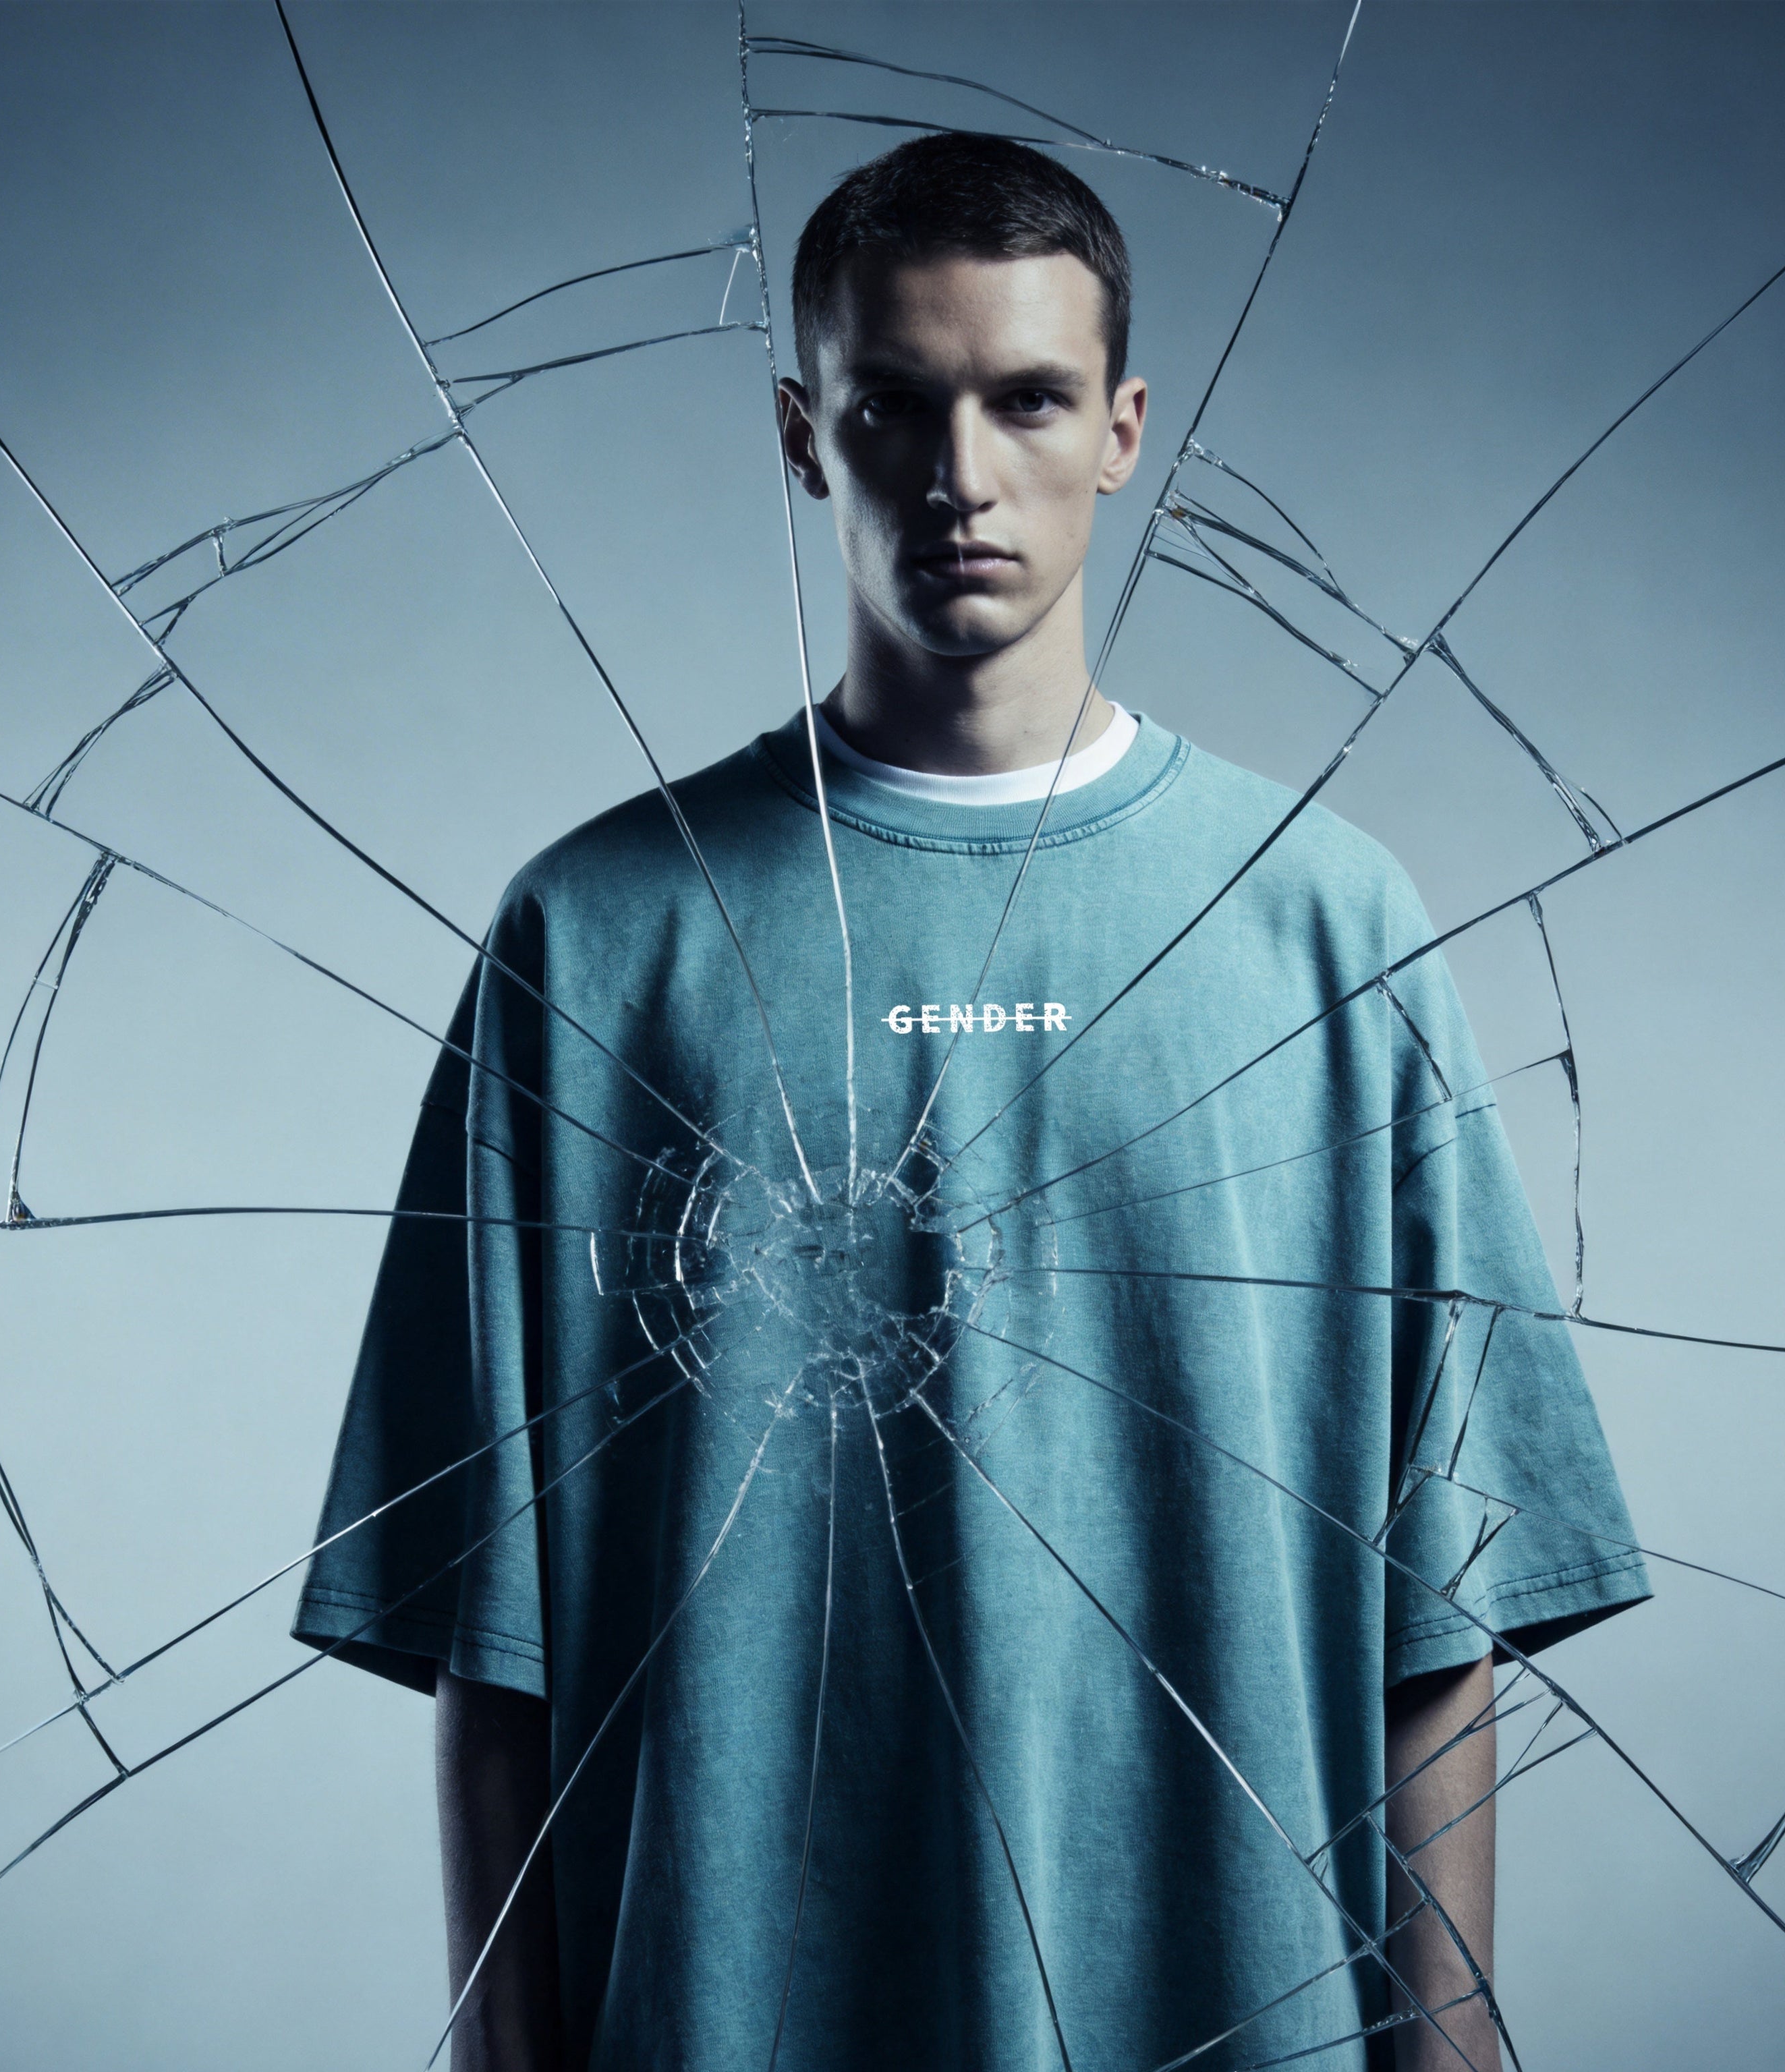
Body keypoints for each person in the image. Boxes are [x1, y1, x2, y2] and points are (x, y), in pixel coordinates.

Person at [295, 132, 1648, 2072]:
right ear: (802, 435)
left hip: (1236, 2013)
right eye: (892, 406)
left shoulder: (1324, 927)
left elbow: (1442, 1605)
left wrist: (1455, 2054)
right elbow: (490, 1644)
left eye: (1026, 400)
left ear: (1122, 430)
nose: (960, 474)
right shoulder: (595, 940)